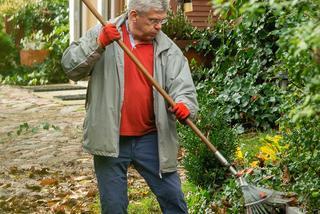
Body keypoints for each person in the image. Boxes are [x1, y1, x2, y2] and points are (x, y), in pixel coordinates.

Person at [61, 0, 198, 213]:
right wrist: (99, 43)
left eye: (162, 20)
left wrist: (184, 105)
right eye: (153, 20)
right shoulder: (104, 32)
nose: (159, 26)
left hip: (152, 138)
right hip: (110, 139)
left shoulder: (167, 48)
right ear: (134, 15)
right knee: (114, 207)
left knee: (174, 201)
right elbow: (70, 67)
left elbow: (183, 87)